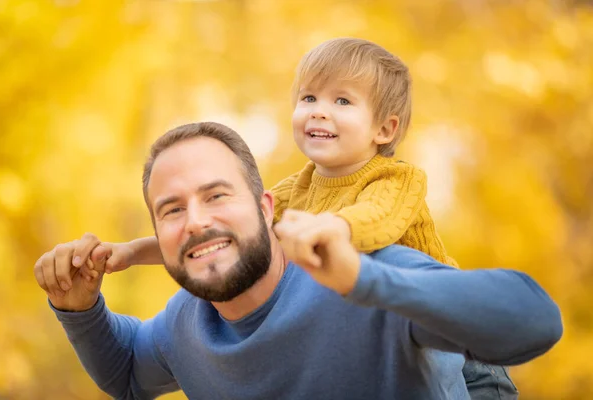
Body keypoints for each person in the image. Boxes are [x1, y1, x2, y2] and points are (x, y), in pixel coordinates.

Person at [77, 38, 517, 397]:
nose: (319, 110)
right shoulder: (298, 188)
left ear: (384, 129)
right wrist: (132, 253)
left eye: (342, 100)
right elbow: (227, 232)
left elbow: (374, 222)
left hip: (460, 352)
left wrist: (326, 230)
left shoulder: (397, 180)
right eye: (309, 97)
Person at [35, 122, 562, 400]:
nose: (194, 221)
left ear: (267, 210)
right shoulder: (182, 329)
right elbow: (126, 373)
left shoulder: (364, 276)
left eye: (217, 196)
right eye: (172, 210)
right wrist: (80, 309)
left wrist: (369, 282)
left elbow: (537, 323)